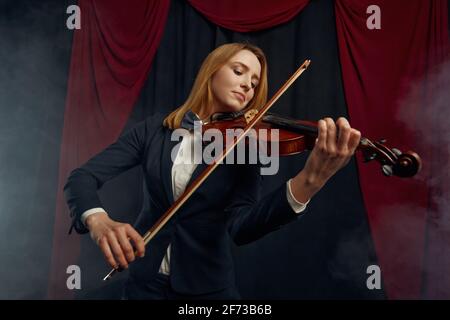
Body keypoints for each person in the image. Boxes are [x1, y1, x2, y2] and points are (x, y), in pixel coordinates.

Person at [64, 43, 361, 299]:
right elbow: (82, 177)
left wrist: (309, 181)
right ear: (212, 71)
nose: (248, 84)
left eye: (255, 81)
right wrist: (98, 220)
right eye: (239, 70)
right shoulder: (155, 129)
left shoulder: (245, 145)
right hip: (144, 285)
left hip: (207, 290)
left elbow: (242, 227)